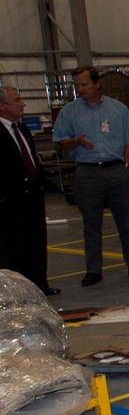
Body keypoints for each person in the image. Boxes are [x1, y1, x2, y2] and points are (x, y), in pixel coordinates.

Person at [54, 66, 129, 286]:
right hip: (87, 172)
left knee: (125, 221)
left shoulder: (118, 109)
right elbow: (60, 141)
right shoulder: (69, 112)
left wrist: (126, 165)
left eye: (84, 84)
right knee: (91, 224)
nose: (81, 89)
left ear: (97, 84)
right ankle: (93, 269)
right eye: (77, 85)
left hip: (115, 170)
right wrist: (76, 141)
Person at [0, 86, 58, 295]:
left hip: (32, 196)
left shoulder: (21, 129)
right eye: (17, 100)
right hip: (10, 200)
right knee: (13, 247)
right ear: (3, 106)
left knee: (36, 243)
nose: (22, 104)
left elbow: (32, 159)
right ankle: (16, 292)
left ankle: (40, 285)